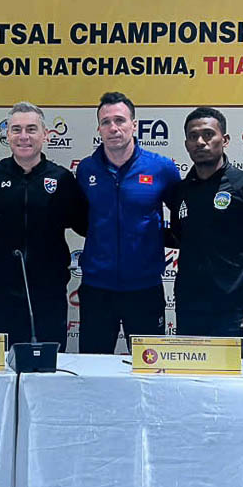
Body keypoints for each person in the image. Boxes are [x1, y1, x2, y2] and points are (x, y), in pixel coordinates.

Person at [168, 107, 243, 359]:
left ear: (225, 140)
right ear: (186, 144)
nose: (200, 141)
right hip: (190, 309)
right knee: (190, 387)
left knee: (239, 392)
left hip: (237, 311)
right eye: (193, 136)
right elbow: (179, 237)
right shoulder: (180, 191)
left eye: (208, 134)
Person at [75, 92, 181, 354]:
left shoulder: (162, 168)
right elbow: (80, 219)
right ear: (99, 128)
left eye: (120, 120)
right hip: (97, 288)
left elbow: (184, 215)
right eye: (106, 122)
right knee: (93, 369)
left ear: (134, 125)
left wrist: (159, 236)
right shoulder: (86, 169)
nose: (113, 128)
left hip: (144, 288)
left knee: (149, 370)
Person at [0, 102, 86, 350]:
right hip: (3, 292)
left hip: (48, 293)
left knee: (48, 367)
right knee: (2, 368)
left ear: (45, 135)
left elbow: (81, 223)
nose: (24, 136)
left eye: (31, 129)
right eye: (16, 129)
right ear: (7, 135)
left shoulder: (62, 178)